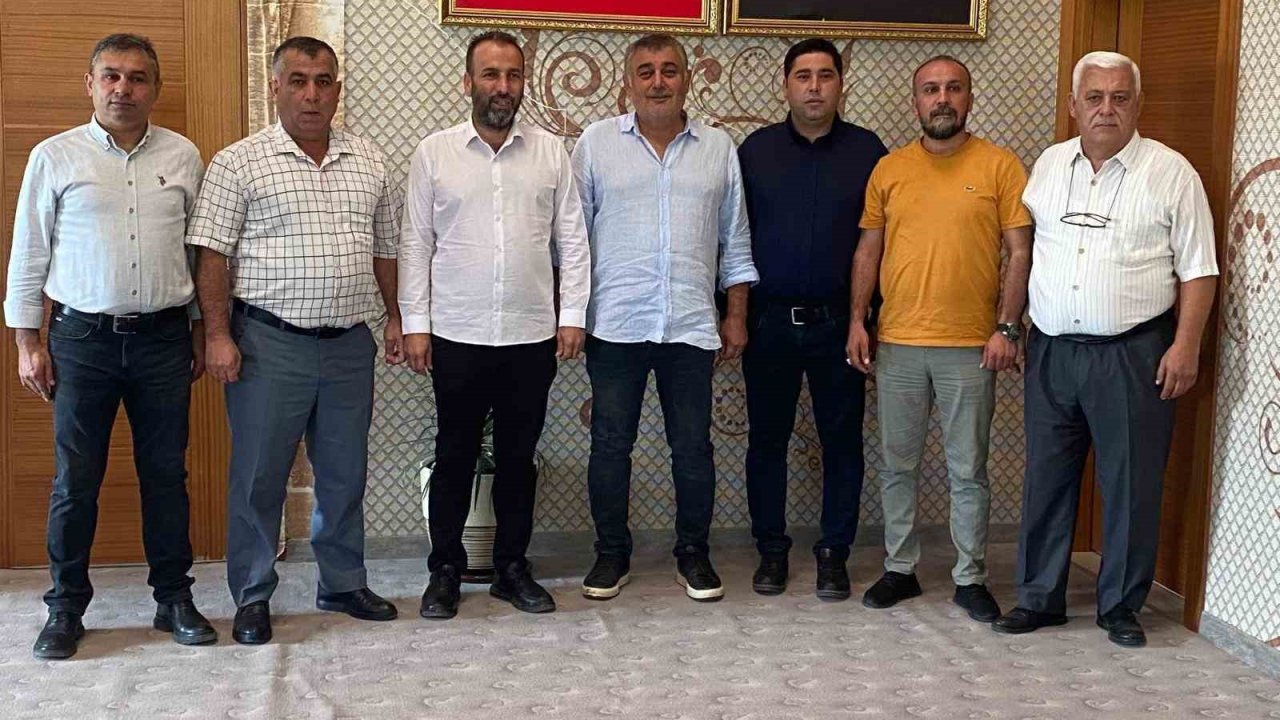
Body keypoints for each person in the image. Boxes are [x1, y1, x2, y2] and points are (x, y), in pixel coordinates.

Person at [993, 51, 1218, 648]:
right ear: (1074, 105)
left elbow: (1199, 270)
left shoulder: (1172, 173)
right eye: (1094, 97)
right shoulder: (1049, 165)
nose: (1106, 109)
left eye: (1119, 98)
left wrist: (1187, 346)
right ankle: (1038, 598)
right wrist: (1012, 327)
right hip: (1051, 352)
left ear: (1137, 105)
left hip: (1132, 354)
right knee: (1046, 480)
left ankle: (1120, 606)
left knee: (1130, 484)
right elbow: (1027, 253)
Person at [3, 33, 216, 660]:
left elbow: (199, 254)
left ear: (156, 88)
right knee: (76, 479)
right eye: (112, 76)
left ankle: (173, 598)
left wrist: (204, 329)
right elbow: (29, 252)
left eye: (138, 78)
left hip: (163, 341)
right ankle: (65, 608)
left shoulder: (183, 156)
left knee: (166, 476)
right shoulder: (54, 156)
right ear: (90, 84)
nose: (124, 88)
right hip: (80, 341)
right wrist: (27, 341)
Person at [188, 36, 402, 645]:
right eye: (300, 81)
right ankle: (253, 594)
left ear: (337, 89)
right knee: (259, 477)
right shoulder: (239, 162)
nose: (312, 94)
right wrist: (218, 334)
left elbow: (386, 250)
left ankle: (342, 582)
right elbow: (211, 255)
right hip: (267, 343)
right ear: (276, 87)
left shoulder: (370, 161)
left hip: (348, 345)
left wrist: (395, 317)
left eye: (323, 81)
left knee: (344, 473)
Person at [402, 31, 591, 619]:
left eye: (512, 75)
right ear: (468, 82)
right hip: (456, 332)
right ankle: (445, 570)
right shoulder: (435, 153)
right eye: (490, 74)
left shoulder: (551, 153)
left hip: (530, 335)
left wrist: (572, 315)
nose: (502, 86)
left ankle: (511, 568)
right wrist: (415, 323)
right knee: (454, 455)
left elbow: (572, 242)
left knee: (518, 458)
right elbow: (415, 243)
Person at [572, 33, 758, 603]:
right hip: (615, 323)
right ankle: (611, 554)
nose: (658, 82)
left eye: (670, 70)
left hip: (691, 324)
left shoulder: (718, 147)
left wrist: (735, 314)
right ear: (628, 83)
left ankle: (693, 554)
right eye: (646, 71)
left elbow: (735, 239)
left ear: (687, 79)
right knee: (610, 446)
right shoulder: (596, 144)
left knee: (693, 448)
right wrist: (571, 315)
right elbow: (572, 239)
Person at [847, 55, 1032, 623]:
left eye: (953, 88)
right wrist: (857, 320)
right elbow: (869, 250)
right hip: (898, 342)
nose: (942, 98)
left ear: (968, 98)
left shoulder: (1000, 166)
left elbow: (1020, 251)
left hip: (972, 347)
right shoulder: (889, 169)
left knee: (967, 471)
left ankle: (969, 577)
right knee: (896, 466)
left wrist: (1007, 327)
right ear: (916, 101)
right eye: (931, 89)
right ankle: (900, 569)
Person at [737, 38, 886, 600]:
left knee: (841, 442)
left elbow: (881, 242)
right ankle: (771, 551)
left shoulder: (869, 153)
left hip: (841, 323)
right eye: (803, 76)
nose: (815, 87)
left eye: (826, 75)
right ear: (786, 86)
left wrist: (867, 319)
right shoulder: (756, 152)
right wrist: (734, 315)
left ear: (841, 84)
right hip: (769, 323)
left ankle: (833, 553)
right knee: (766, 442)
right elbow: (733, 237)